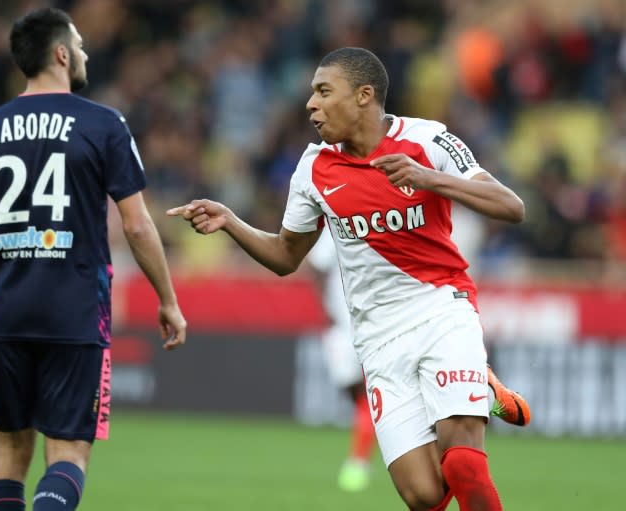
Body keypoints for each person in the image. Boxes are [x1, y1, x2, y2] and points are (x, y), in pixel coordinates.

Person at [168, 47, 529, 510]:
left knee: (463, 463)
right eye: (311, 94)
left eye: (323, 91)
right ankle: (484, 386)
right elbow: (285, 256)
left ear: (363, 95)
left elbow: (511, 207)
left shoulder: (428, 140)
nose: (310, 104)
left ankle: (473, 381)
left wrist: (427, 178)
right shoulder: (314, 168)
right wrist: (232, 222)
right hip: (377, 339)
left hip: (442, 310)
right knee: (424, 494)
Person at [0, 8, 187, 511]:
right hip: (74, 308)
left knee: (8, 450)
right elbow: (137, 224)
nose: (86, 52)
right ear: (60, 53)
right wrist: (168, 299)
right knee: (68, 451)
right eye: (79, 43)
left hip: (6, 310)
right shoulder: (103, 123)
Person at [306, 228, 376, 492]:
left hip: (377, 324)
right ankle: (366, 449)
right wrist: (325, 306)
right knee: (355, 391)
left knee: (369, 394)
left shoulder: (390, 220)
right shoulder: (339, 222)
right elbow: (315, 266)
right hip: (343, 325)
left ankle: (358, 461)